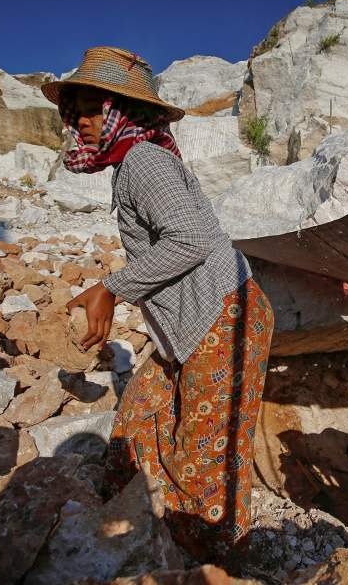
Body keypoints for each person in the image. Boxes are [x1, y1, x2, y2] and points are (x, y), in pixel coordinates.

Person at [40, 47, 274, 560]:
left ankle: (210, 558)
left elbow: (190, 239)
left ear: (120, 111)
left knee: (205, 452)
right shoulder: (137, 163)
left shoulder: (144, 161)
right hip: (195, 324)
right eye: (73, 109)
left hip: (223, 318)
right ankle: (143, 527)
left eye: (88, 108)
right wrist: (102, 289)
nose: (77, 121)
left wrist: (113, 287)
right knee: (139, 419)